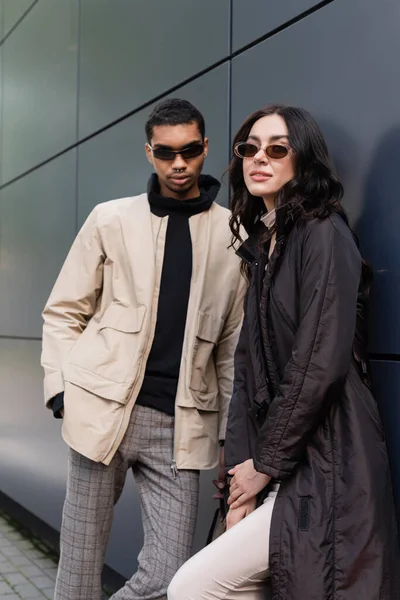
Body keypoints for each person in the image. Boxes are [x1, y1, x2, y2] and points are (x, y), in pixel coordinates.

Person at [168, 105, 400, 600]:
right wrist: (238, 477)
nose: (259, 158)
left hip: (330, 462)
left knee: (193, 586)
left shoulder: (323, 234)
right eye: (249, 148)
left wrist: (262, 466)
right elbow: (247, 369)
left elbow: (318, 364)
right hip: (280, 462)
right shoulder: (266, 244)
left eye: (277, 148)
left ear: (305, 161)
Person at [41, 98, 245, 600]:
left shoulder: (233, 234)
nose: (179, 164)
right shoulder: (109, 220)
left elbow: (231, 347)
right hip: (102, 412)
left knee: (171, 576)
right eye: (166, 152)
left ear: (206, 148)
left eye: (190, 151)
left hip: (181, 425)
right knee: (80, 568)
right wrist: (62, 391)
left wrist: (227, 437)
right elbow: (64, 311)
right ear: (149, 153)